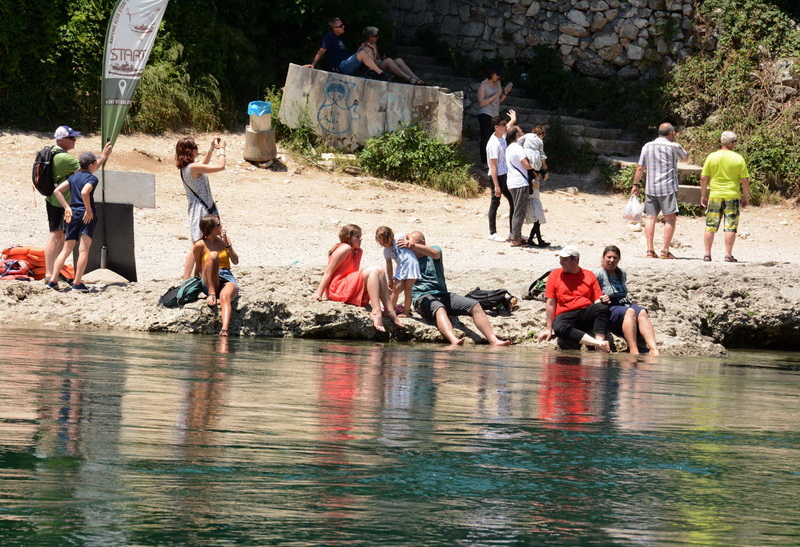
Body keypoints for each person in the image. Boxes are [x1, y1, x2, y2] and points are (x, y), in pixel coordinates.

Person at [400, 231, 510, 346]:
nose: (411, 248)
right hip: (422, 297)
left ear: (422, 242)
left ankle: (493, 340)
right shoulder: (409, 259)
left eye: (413, 245)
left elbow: (435, 254)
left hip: (443, 294)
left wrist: (413, 245)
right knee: (439, 308)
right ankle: (454, 340)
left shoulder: (434, 250)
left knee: (475, 305)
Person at [313, 224, 405, 332]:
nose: (360, 239)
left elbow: (353, 276)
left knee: (379, 270)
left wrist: (382, 287)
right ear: (348, 237)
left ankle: (389, 310)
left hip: (347, 286)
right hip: (337, 289)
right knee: (372, 271)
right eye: (357, 236)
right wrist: (319, 293)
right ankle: (376, 311)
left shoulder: (357, 251)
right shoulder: (345, 248)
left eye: (360, 236)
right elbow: (328, 271)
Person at [48, 146, 114, 292]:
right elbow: (85, 192)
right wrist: (89, 210)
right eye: (95, 163)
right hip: (85, 216)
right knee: (83, 250)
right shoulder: (92, 178)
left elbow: (57, 191)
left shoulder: (74, 177)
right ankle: (77, 283)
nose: (96, 165)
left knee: (66, 250)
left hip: (72, 214)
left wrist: (67, 207)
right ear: (91, 165)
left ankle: (52, 280)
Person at [537, 245, 611, 352]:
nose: (561, 263)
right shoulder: (555, 275)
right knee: (558, 327)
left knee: (602, 308)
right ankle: (598, 343)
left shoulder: (589, 275)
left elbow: (596, 300)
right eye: (560, 259)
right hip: (565, 315)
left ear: (575, 259)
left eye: (564, 260)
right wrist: (549, 328)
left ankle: (600, 343)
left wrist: (602, 300)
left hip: (585, 313)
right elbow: (550, 302)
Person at [632, 122, 688, 259]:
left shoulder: (647, 146)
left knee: (650, 218)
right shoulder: (674, 146)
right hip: (668, 188)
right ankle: (665, 250)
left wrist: (635, 184)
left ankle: (650, 250)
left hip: (651, 188)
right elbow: (685, 157)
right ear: (671, 133)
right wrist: (675, 141)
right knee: (670, 219)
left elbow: (640, 167)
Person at [594, 246, 660, 355]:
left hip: (623, 302)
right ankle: (634, 350)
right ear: (603, 258)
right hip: (609, 305)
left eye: (615, 258)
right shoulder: (598, 273)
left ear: (619, 259)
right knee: (630, 312)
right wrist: (600, 298)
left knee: (642, 312)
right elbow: (592, 292)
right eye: (609, 257)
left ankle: (654, 349)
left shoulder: (621, 273)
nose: (612, 260)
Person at [175, 136, 226, 279]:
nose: (197, 149)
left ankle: (194, 277)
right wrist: (222, 150)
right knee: (198, 244)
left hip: (200, 207)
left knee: (200, 244)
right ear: (189, 151)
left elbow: (203, 165)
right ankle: (187, 279)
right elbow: (220, 167)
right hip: (202, 209)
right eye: (195, 147)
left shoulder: (187, 168)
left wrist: (211, 149)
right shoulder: (193, 167)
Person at [700, 131, 750, 263]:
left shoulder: (712, 157)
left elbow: (704, 177)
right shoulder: (738, 158)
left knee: (710, 225)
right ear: (733, 143)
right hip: (732, 195)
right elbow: (745, 180)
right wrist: (745, 196)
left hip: (715, 195)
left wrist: (703, 194)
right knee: (730, 226)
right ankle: (728, 255)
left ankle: (707, 254)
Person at [44, 126, 81, 281]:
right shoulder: (65, 158)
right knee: (55, 235)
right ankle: (49, 274)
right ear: (62, 140)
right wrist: (104, 156)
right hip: (59, 202)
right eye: (71, 138)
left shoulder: (53, 152)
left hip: (55, 199)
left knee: (60, 235)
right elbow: (88, 169)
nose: (74, 141)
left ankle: (54, 271)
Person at [193, 214, 239, 336]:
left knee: (225, 297)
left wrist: (227, 245)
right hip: (209, 279)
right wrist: (193, 282)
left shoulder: (224, 240)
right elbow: (198, 266)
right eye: (218, 224)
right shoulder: (200, 245)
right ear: (210, 228)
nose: (221, 226)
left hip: (226, 275)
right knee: (213, 255)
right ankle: (212, 293)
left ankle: (224, 330)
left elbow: (235, 261)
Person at [304, 18, 392, 81]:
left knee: (365, 50)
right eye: (341, 26)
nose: (344, 26)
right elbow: (321, 51)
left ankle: (371, 72)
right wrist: (313, 64)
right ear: (335, 29)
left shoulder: (339, 38)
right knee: (362, 53)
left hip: (346, 64)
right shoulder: (329, 36)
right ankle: (380, 73)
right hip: (340, 67)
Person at [375, 226, 421, 317]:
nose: (384, 244)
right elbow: (389, 266)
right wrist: (390, 280)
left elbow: (408, 234)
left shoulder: (398, 237)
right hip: (401, 267)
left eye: (385, 242)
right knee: (395, 289)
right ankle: (390, 310)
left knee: (408, 290)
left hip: (411, 264)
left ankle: (406, 312)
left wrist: (410, 241)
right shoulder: (386, 251)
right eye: (381, 243)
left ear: (391, 237)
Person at [486, 110, 517, 242]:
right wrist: (496, 185)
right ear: (496, 127)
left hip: (504, 175)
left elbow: (509, 126)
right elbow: (493, 166)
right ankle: (492, 233)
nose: (505, 127)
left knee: (513, 201)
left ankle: (513, 232)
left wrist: (513, 119)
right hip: (497, 177)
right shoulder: (493, 143)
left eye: (505, 124)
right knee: (495, 203)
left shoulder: (502, 136)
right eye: (503, 125)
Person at [358, 27, 425, 85]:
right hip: (372, 71)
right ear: (370, 37)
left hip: (378, 65)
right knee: (388, 60)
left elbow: (378, 59)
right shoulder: (365, 48)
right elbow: (371, 66)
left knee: (399, 60)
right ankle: (409, 79)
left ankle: (416, 78)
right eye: (376, 36)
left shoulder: (374, 45)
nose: (377, 37)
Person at [476, 65, 512, 168]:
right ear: (491, 73)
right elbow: (481, 103)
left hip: (495, 114)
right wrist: (495, 95)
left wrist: (505, 93)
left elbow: (499, 100)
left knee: (496, 138)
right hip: (485, 113)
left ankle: (494, 161)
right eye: (497, 75)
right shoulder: (483, 85)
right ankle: (484, 163)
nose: (498, 77)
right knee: (486, 138)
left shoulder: (498, 83)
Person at [521, 126, 550, 247]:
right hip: (533, 198)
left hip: (533, 196)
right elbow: (542, 155)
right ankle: (538, 241)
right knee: (537, 220)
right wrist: (544, 165)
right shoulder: (539, 143)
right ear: (541, 135)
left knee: (537, 221)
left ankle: (534, 240)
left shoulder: (526, 138)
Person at [504, 127, 533, 247]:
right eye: (521, 132)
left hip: (512, 182)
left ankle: (516, 235)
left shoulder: (509, 148)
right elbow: (525, 165)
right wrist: (535, 165)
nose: (523, 134)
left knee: (517, 209)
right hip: (520, 182)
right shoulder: (517, 148)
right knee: (519, 211)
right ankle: (515, 238)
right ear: (516, 135)